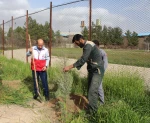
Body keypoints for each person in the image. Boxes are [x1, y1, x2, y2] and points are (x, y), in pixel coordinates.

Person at [63, 34, 104, 114]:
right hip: (92, 70)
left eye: (77, 43)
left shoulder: (88, 46)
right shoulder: (87, 45)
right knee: (90, 90)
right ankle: (91, 107)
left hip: (97, 70)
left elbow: (83, 59)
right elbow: (85, 59)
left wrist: (70, 67)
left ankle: (93, 113)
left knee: (92, 91)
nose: (77, 45)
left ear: (80, 40)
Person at [93, 40, 108, 104]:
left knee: (99, 86)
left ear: (97, 46)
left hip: (99, 72)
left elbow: (105, 63)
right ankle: (94, 99)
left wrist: (101, 71)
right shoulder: (92, 52)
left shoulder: (102, 52)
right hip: (93, 71)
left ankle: (102, 102)